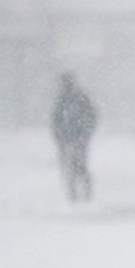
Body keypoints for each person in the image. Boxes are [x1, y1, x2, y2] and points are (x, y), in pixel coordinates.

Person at [51, 72, 98, 202]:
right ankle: (77, 193)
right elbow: (56, 120)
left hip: (75, 138)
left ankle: (80, 193)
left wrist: (85, 132)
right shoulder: (67, 99)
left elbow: (56, 120)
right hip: (71, 138)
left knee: (77, 165)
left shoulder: (71, 99)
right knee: (74, 166)